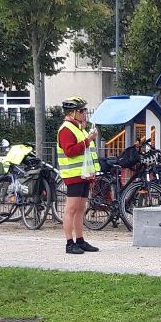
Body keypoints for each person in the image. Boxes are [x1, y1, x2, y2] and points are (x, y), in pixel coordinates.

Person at [56, 97, 100, 254]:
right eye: (81, 111)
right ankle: (69, 243)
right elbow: (70, 151)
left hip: (83, 175)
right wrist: (88, 140)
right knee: (71, 209)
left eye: (84, 110)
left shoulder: (79, 128)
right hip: (73, 175)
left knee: (81, 209)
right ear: (72, 113)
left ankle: (80, 240)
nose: (84, 113)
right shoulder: (66, 129)